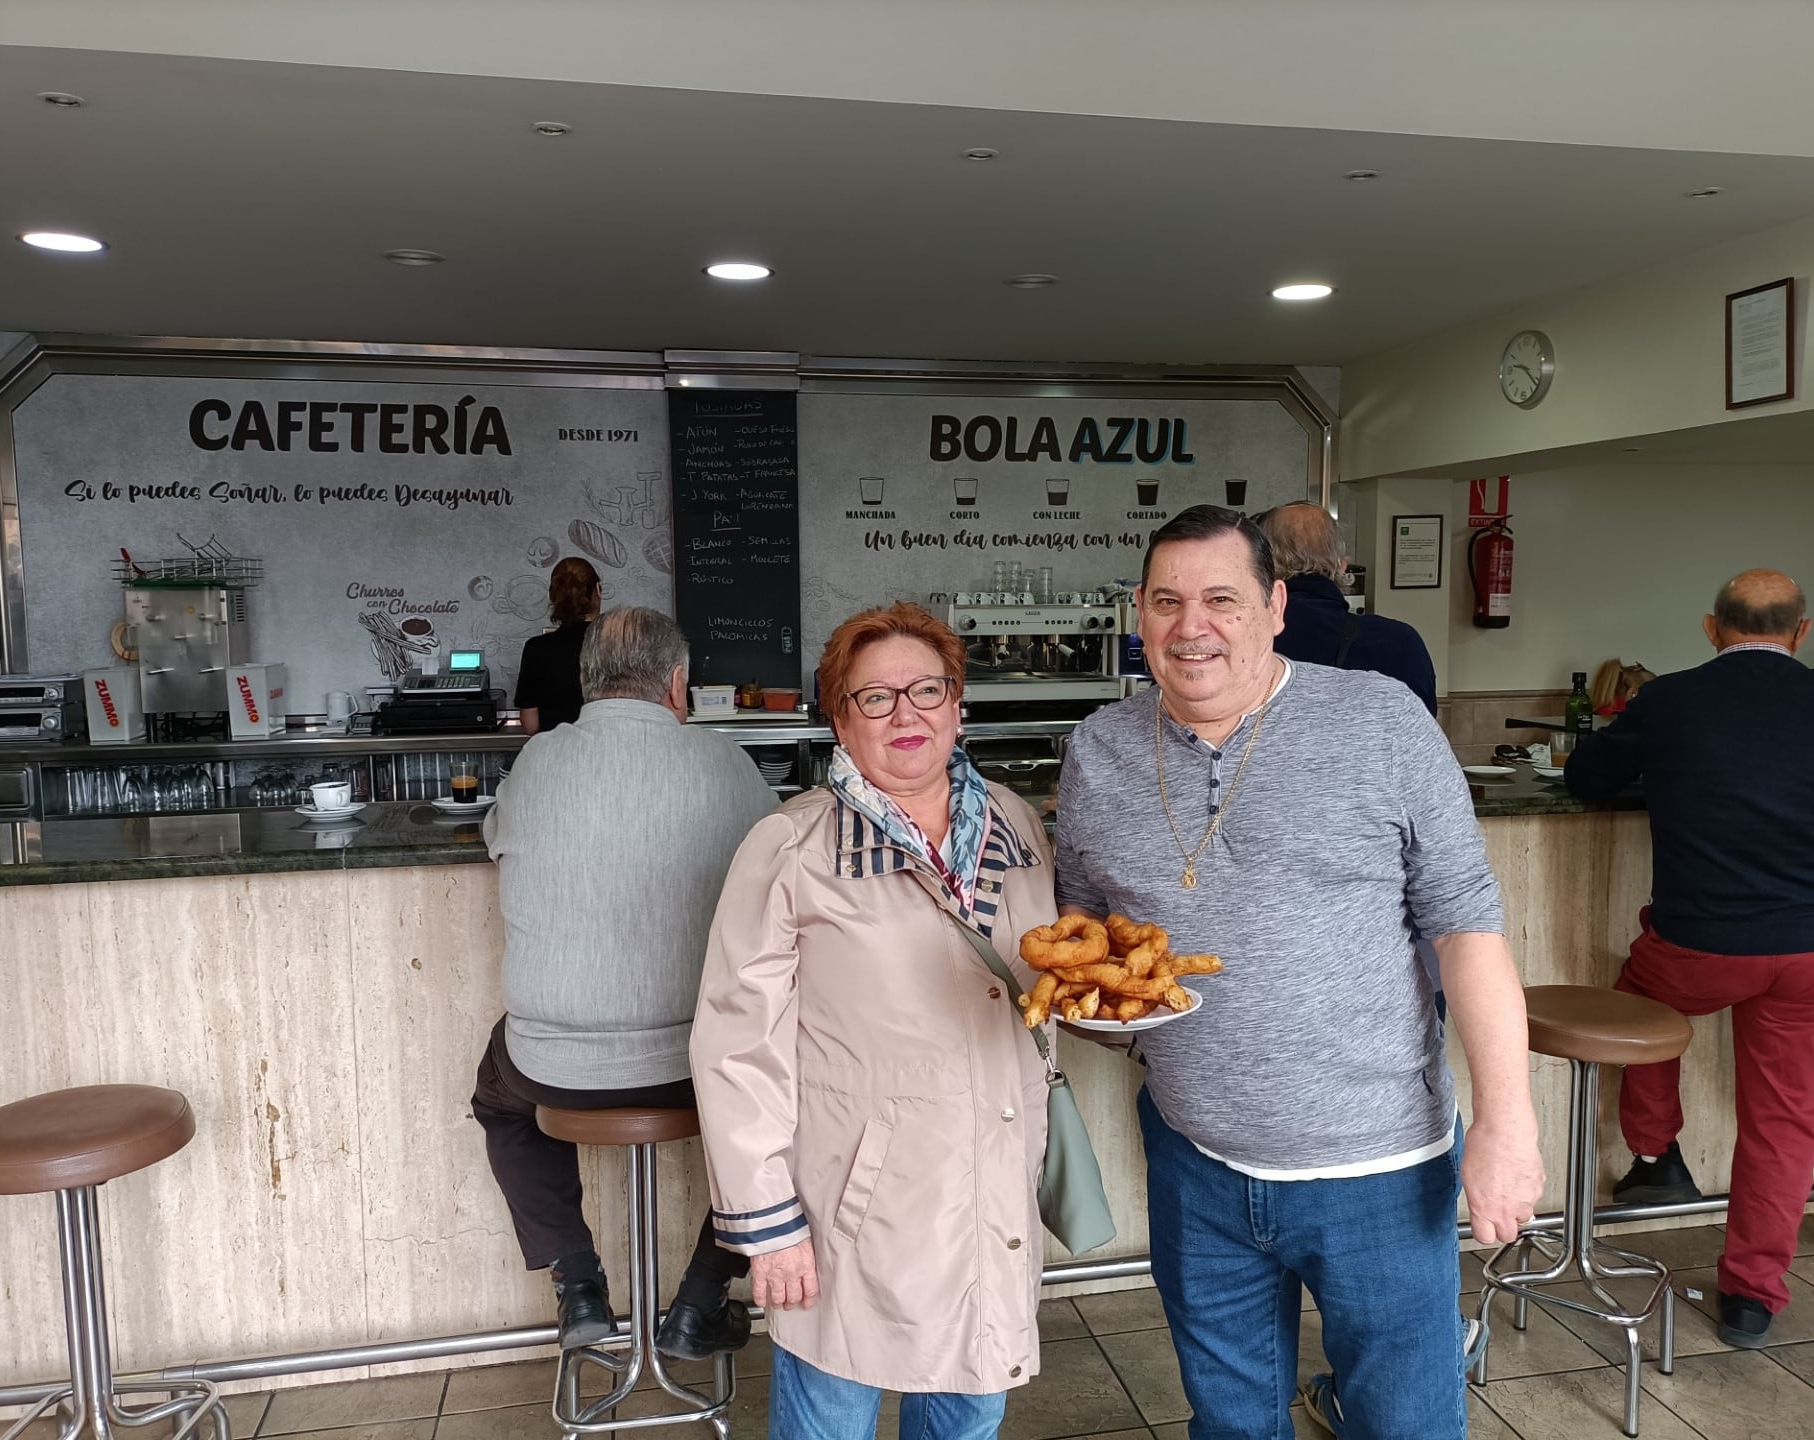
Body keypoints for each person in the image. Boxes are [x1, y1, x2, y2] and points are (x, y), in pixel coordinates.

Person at [1052, 506, 1541, 1440]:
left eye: (1221, 599)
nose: (1192, 625)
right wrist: (1090, 1001)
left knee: (1406, 1425)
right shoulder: (1100, 749)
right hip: (1195, 1157)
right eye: (1167, 601)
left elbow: (1467, 929)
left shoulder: (1380, 720)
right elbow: (1090, 931)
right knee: (1231, 1422)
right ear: (1141, 617)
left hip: (1380, 1165)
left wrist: (1506, 1125)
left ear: (1275, 606)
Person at [690, 602, 1058, 1440]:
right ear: (839, 719)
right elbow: (736, 1041)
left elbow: (1040, 979)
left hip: (990, 1186)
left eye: (927, 691)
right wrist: (769, 1227)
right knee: (832, 1419)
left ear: (958, 706)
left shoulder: (1017, 825)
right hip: (853, 1210)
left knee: (965, 1418)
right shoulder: (792, 848)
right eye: (876, 698)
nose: (907, 715)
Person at [1564, 568, 1814, 1348]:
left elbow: (1584, 778)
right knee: (1785, 1121)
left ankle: (1655, 1152)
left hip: (1702, 946)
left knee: (1637, 999)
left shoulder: (1670, 700)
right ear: (1801, 633)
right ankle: (1751, 1296)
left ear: (1713, 629)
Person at [472, 606, 776, 1356]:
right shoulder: (727, 763)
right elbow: (783, 859)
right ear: (677, 684)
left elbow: (493, 840)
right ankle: (703, 1295)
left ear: (585, 684)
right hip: (698, 1069)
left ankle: (577, 1279)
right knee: (793, 1107)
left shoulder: (538, 761)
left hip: (553, 1069)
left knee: (499, 1101)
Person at [1257, 501, 1437, 714]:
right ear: (1342, 566)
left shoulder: (1244, 639)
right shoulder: (1400, 642)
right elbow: (1422, 733)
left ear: (1262, 568)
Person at [514, 556, 601, 734]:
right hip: (611, 754)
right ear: (598, 590)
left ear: (553, 596)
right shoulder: (620, 644)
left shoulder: (536, 649)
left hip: (556, 756)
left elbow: (531, 725)